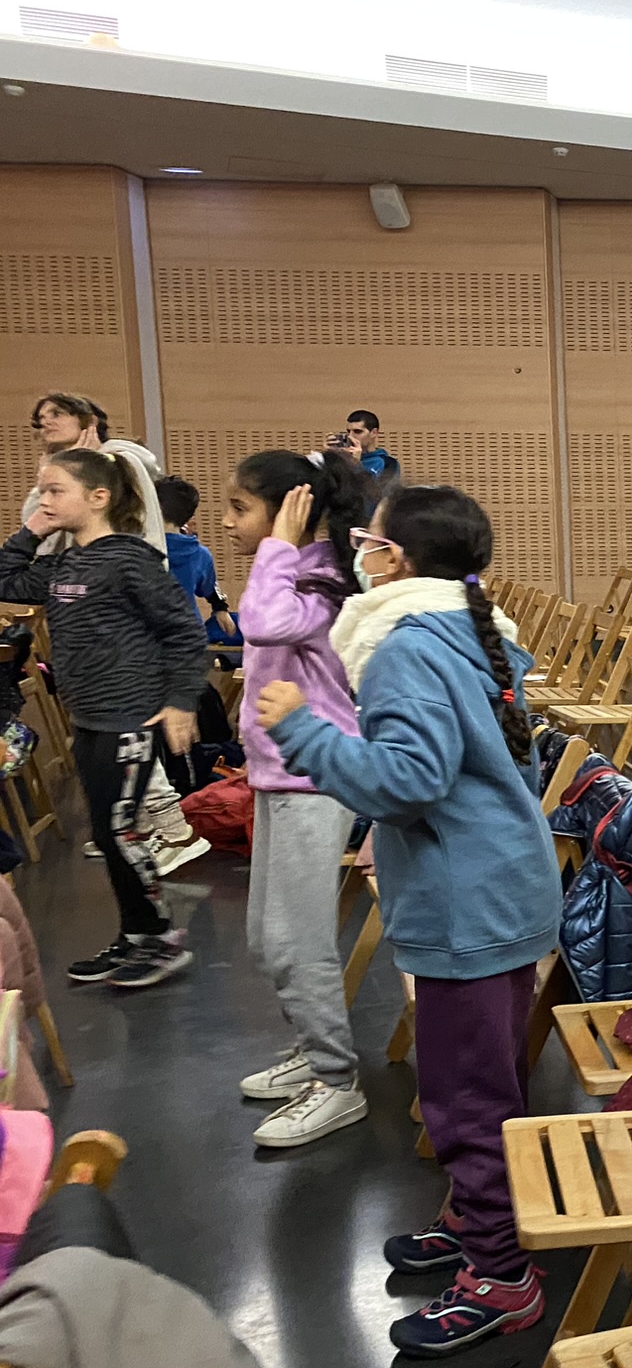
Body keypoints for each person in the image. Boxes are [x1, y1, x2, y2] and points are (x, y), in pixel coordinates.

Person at [256, 485, 558, 1357]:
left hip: (467, 903)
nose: (360, 552)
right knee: (482, 1078)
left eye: (368, 539)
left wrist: (304, 733)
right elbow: (476, 767)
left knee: (465, 1097)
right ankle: (476, 1219)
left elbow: (410, 778)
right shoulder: (468, 628)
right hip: (497, 884)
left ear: (394, 559)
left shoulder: (406, 648)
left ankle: (501, 1274)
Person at [0, 448, 210, 988]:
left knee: (119, 830)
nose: (44, 500)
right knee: (106, 830)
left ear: (99, 498)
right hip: (91, 719)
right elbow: (5, 580)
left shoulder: (129, 561)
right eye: (41, 491)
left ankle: (160, 939)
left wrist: (182, 702)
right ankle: (136, 933)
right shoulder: (65, 564)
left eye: (55, 491)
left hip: (130, 718)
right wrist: (32, 531)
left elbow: (185, 634)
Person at [222, 448, 375, 1149]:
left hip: (315, 781)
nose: (229, 523)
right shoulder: (295, 572)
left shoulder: (320, 583)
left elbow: (261, 623)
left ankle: (337, 1080)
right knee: (267, 936)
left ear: (292, 510)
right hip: (277, 776)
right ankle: (314, 1051)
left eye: (240, 508)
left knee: (298, 941)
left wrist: (280, 544)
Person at [154, 476, 234, 638]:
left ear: (155, 507)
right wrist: (220, 608)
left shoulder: (138, 548)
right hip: (189, 634)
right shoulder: (200, 554)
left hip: (147, 635)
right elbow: (210, 588)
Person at [343, 410, 401, 495]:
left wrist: (356, 466)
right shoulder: (342, 460)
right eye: (348, 432)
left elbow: (378, 495)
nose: (350, 436)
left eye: (358, 432)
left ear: (373, 433)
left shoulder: (388, 463)